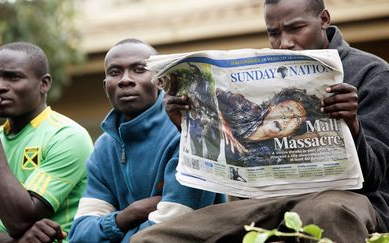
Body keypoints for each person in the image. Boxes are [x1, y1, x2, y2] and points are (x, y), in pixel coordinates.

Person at [131, 0, 389, 242]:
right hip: (264, 202)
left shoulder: (372, 73)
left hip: (346, 199)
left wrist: (352, 124)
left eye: (295, 28)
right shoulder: (261, 83)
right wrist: (185, 121)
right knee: (153, 238)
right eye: (274, 33)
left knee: (325, 214)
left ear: (323, 19)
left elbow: (374, 177)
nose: (284, 43)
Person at [68, 38, 225, 243]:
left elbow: (174, 229)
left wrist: (110, 233)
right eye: (115, 73)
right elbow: (80, 235)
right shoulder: (103, 148)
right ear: (106, 86)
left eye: (139, 70)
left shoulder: (187, 132)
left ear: (160, 81)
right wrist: (129, 214)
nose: (125, 80)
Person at [0, 42, 93, 242]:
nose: (0, 86)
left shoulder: (68, 136)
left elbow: (18, 220)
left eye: (13, 77)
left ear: (44, 84)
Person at [217, 87, 322, 167]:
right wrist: (221, 120)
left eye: (297, 119)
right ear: (272, 107)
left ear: (292, 133)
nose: (288, 118)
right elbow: (211, 92)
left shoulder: (273, 158)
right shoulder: (245, 108)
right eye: (288, 109)